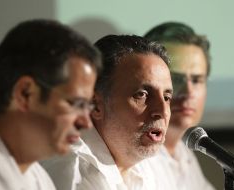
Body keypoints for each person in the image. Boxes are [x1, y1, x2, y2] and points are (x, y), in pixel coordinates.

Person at [42, 35, 173, 190]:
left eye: (166, 97)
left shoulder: (152, 168)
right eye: (142, 95)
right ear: (95, 104)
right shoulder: (71, 173)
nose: (162, 111)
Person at [0, 19, 101, 190]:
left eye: (88, 106)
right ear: (26, 94)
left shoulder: (37, 177)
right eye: (76, 104)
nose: (86, 123)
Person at [144, 22, 215, 190]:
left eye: (197, 80)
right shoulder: (134, 156)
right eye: (175, 79)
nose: (189, 92)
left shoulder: (184, 154)